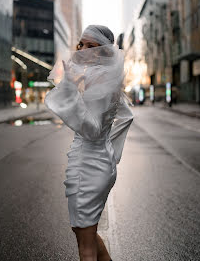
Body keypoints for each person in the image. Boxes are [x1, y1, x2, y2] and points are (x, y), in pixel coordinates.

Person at [44, 25, 134, 261]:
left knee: (85, 244)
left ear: (104, 51)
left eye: (90, 46)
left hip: (89, 166)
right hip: (97, 163)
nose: (82, 50)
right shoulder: (109, 78)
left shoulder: (99, 80)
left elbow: (93, 130)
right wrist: (110, 153)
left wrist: (71, 88)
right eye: (81, 45)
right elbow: (126, 115)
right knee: (85, 232)